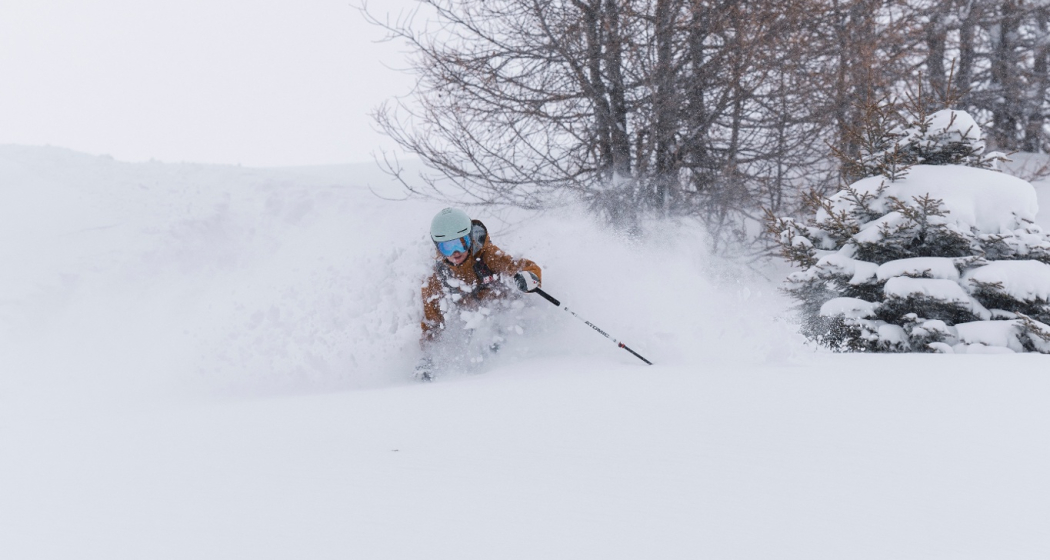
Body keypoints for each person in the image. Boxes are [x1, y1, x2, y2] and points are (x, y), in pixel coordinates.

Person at [416, 208, 542, 380]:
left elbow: (521, 266)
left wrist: (528, 277)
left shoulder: (487, 255)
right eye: (447, 247)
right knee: (474, 343)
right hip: (471, 323)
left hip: (504, 315)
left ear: (470, 238)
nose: (455, 252)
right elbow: (432, 320)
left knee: (492, 338)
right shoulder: (437, 276)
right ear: (438, 248)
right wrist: (429, 355)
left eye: (461, 243)